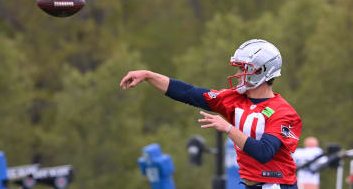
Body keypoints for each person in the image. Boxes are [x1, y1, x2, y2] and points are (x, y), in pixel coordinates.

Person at [120, 39, 302, 189]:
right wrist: (148, 75)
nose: (238, 74)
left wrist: (228, 128)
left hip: (276, 185)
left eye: (242, 69)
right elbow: (188, 92)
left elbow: (264, 152)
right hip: (250, 185)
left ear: (261, 71)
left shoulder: (283, 112)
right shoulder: (235, 99)